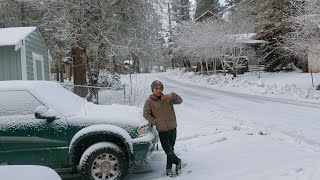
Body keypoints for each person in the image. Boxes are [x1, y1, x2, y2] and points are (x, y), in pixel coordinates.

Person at [143, 80, 183, 176]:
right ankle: (178, 161)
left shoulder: (167, 98)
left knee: (171, 149)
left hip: (172, 127)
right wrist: (156, 122)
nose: (159, 90)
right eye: (156, 88)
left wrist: (173, 95)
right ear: (152, 89)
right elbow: (146, 114)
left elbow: (180, 101)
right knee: (167, 150)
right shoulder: (149, 101)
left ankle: (168, 168)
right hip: (162, 130)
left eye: (160, 88)